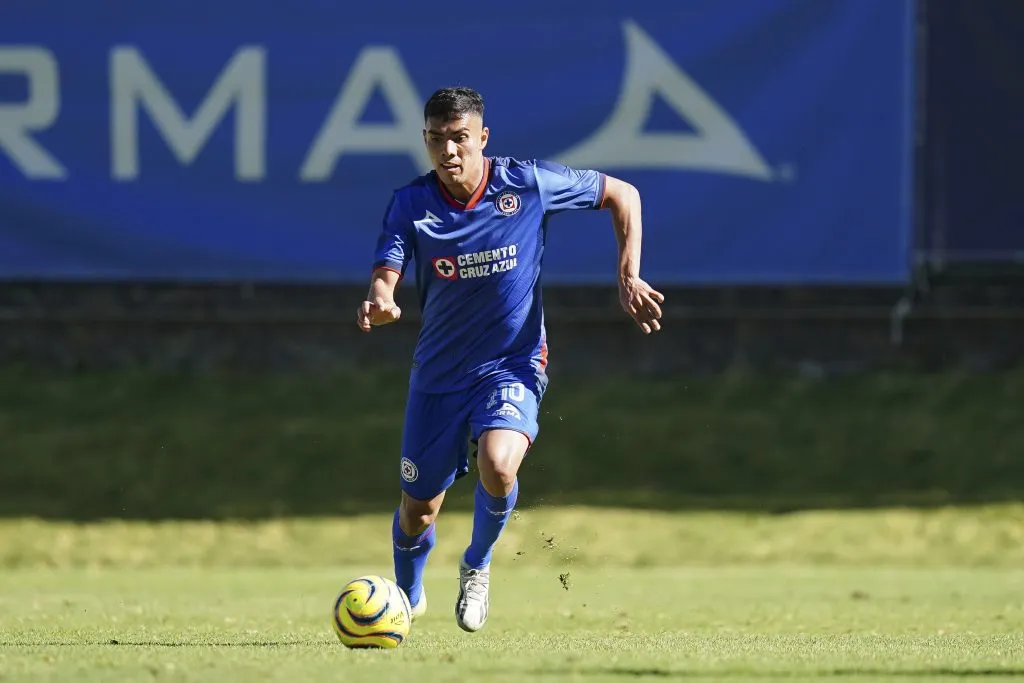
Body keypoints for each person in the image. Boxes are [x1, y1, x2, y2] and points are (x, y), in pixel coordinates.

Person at [355, 86, 664, 633]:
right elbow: (387, 270)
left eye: (459, 139)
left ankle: (476, 563)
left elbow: (625, 194)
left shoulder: (526, 183)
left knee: (499, 466)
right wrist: (383, 299)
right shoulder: (411, 203)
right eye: (435, 141)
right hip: (440, 374)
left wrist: (627, 274)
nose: (448, 153)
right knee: (419, 509)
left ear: (482, 138)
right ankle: (405, 595)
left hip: (512, 364)